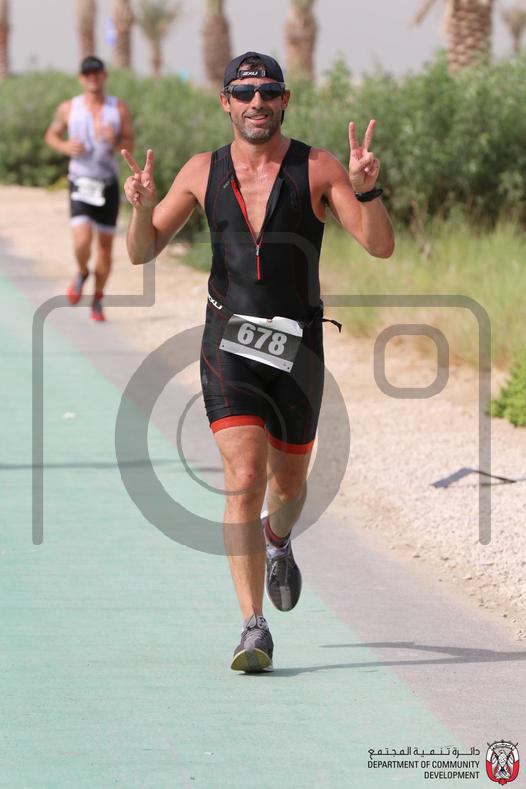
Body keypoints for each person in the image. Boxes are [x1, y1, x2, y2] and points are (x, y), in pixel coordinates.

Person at [121, 52, 394, 672]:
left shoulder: (318, 167)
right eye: (244, 93)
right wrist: (140, 207)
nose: (257, 102)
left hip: (298, 349)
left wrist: (367, 187)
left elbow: (379, 245)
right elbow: (142, 250)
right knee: (245, 476)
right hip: (229, 343)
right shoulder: (201, 170)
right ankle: (253, 627)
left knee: (289, 486)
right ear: (226, 102)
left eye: (268, 91)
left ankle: (278, 537)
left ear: (285, 99)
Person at [45, 56, 134, 322]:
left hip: (107, 183)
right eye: (87, 74)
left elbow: (129, 143)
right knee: (82, 240)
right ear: (81, 78)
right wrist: (65, 146)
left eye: (97, 72)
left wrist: (114, 140)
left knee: (105, 248)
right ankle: (82, 272)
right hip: (80, 181)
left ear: (104, 75)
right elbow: (51, 135)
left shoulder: (118, 108)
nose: (92, 77)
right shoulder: (68, 108)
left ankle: (98, 299)